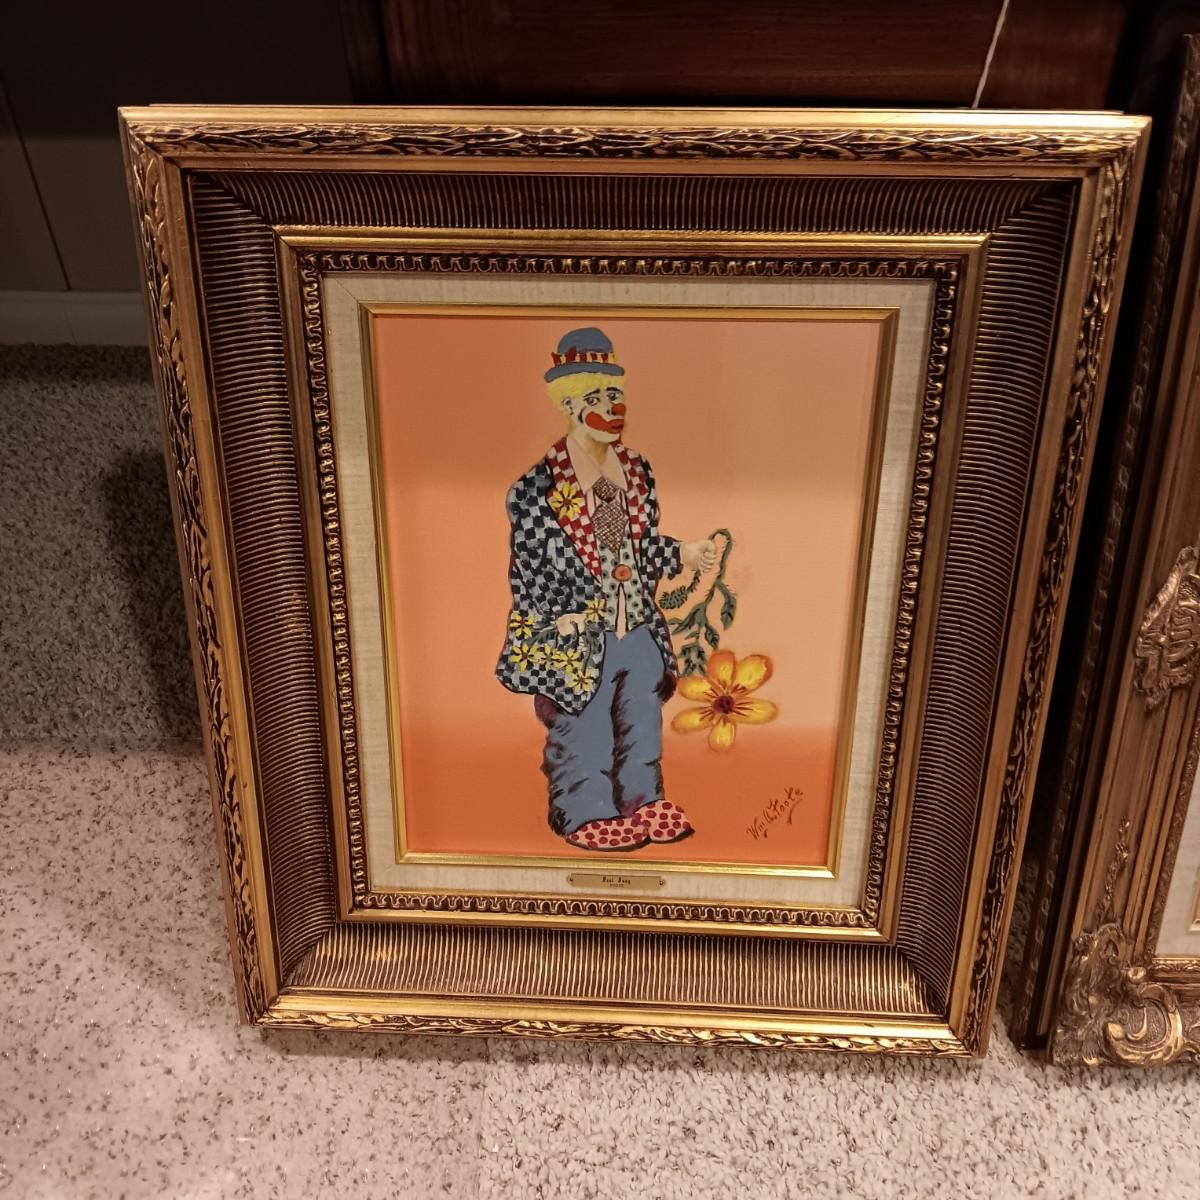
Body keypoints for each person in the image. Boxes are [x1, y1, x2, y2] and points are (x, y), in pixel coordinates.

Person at [496, 327, 717, 851]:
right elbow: (530, 562)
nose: (611, 407)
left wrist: (682, 553)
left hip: (637, 624)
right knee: (584, 724)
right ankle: (584, 810)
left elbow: (640, 547)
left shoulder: (636, 471)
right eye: (596, 397)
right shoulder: (537, 487)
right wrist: (560, 613)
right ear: (570, 405)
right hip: (578, 635)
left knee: (641, 715)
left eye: (615, 394)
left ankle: (644, 801)